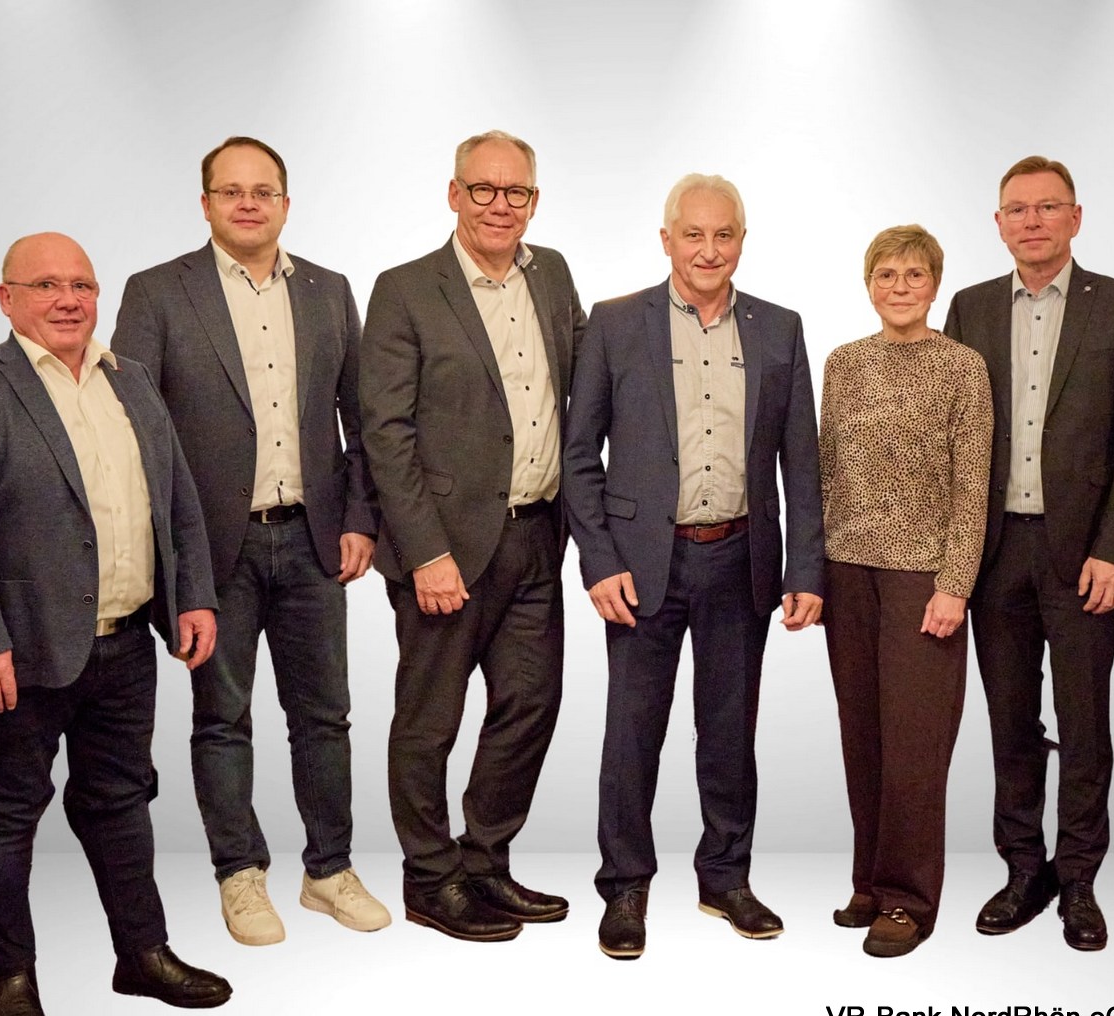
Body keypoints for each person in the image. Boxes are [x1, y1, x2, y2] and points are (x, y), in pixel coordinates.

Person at [0, 233, 232, 1016]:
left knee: (121, 801)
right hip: (19, 654)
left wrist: (192, 595)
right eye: (46, 285)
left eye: (82, 285)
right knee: (7, 812)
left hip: (125, 644)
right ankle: (10, 981)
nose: (68, 300)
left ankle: (142, 954)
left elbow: (177, 500)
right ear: (7, 298)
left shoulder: (131, 381)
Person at [112, 136, 388, 946]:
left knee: (325, 716)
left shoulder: (330, 291)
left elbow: (362, 419)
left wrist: (361, 518)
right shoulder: (158, 293)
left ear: (285, 205)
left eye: (263, 191)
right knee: (222, 718)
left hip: (313, 540)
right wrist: (171, 559)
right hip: (212, 550)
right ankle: (240, 873)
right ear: (205, 204)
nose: (247, 203)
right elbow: (136, 433)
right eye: (230, 191)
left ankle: (329, 869)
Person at [562, 173, 825, 961]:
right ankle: (625, 886)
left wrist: (805, 569)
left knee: (730, 731)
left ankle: (725, 877)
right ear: (667, 238)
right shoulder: (615, 323)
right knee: (631, 732)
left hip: (741, 559)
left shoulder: (779, 328)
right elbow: (579, 456)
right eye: (694, 234)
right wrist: (598, 560)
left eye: (724, 234)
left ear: (742, 240)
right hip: (642, 564)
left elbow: (801, 463)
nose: (709, 250)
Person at [358, 130, 585, 942]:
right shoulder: (405, 289)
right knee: (430, 722)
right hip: (446, 549)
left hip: (537, 535)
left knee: (530, 704)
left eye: (515, 191)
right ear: (453, 194)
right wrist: (425, 552)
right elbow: (385, 432)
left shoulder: (552, 274)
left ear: (534, 201)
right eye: (482, 189)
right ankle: (430, 876)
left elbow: (584, 381)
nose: (499, 205)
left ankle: (485, 863)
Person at [943, 155, 1114, 951]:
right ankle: (1022, 869)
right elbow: (952, 438)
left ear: (1076, 217)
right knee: (1010, 720)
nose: (1032, 221)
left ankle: (1079, 879)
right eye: (1017, 209)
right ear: (998, 223)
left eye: (1047, 207)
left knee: (1085, 722)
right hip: (994, 550)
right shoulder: (968, 308)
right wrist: (951, 558)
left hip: (1083, 558)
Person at [819, 225, 993, 957]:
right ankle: (870, 880)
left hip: (924, 577)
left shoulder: (963, 367)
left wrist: (955, 585)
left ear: (935, 284)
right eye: (886, 274)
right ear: (868, 285)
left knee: (916, 744)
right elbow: (825, 470)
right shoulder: (843, 363)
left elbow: (973, 486)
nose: (900, 286)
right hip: (847, 572)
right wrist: (813, 574)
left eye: (914, 274)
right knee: (863, 735)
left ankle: (909, 898)